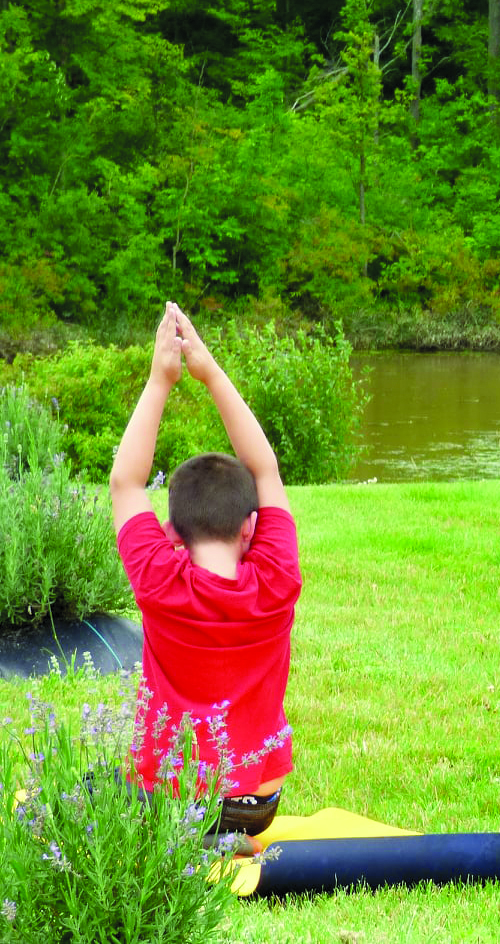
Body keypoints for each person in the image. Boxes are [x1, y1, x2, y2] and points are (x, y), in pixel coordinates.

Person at [110, 303, 302, 840]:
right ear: (250, 528)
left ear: (172, 529)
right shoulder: (276, 579)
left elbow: (126, 484)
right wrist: (210, 372)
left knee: (91, 786)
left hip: (171, 804)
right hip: (257, 805)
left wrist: (159, 381)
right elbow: (265, 468)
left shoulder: (158, 579)